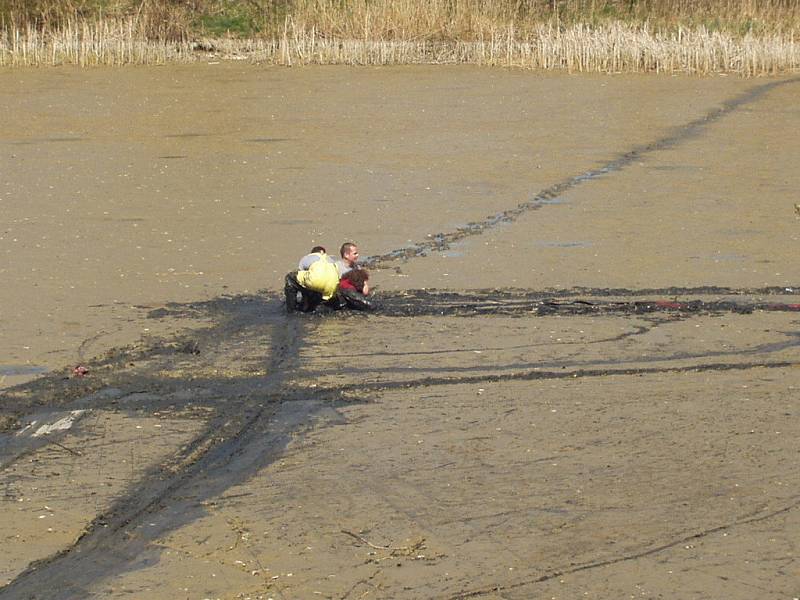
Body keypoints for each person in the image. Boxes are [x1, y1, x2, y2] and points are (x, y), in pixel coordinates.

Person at [285, 246, 339, 312]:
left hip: (315, 281)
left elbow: (301, 275)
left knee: (291, 278)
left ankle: (291, 309)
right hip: (333, 286)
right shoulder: (331, 259)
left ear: (312, 253)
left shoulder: (308, 257)